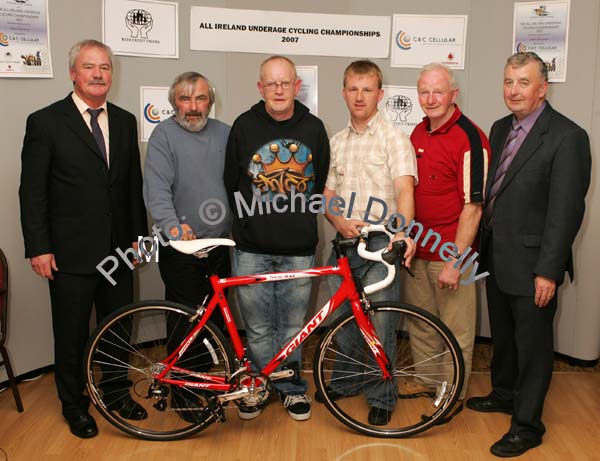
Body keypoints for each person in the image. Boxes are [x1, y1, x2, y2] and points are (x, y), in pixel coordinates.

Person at [19, 39, 147, 438]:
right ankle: (74, 405)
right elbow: (32, 191)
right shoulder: (45, 122)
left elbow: (130, 188)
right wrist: (39, 246)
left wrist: (139, 240)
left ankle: (115, 392)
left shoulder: (126, 121)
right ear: (73, 73)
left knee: (116, 328)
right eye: (89, 67)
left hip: (119, 252)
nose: (98, 74)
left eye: (105, 67)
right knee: (72, 335)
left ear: (112, 74)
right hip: (69, 254)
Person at [466, 52, 591, 458]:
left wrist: (548, 271)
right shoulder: (501, 128)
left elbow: (566, 211)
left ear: (542, 88)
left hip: (535, 265)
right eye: (508, 81)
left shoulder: (567, 137)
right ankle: (504, 394)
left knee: (534, 348)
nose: (513, 90)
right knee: (504, 338)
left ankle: (527, 426)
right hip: (497, 258)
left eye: (523, 82)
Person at [224, 55, 330, 421]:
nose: (280, 89)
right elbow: (230, 183)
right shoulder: (243, 126)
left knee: (290, 327)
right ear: (261, 88)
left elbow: (320, 181)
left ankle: (289, 388)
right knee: (256, 325)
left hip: (298, 250)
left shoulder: (314, 128)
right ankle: (257, 385)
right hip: (251, 248)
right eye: (272, 83)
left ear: (297, 86)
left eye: (286, 83)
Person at [322, 60, 417, 426]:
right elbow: (328, 194)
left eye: (367, 89)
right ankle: (348, 382)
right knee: (344, 320)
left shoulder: (395, 138)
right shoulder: (337, 141)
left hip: (380, 246)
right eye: (353, 88)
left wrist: (402, 234)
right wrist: (339, 221)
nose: (359, 96)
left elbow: (404, 192)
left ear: (380, 94)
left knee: (381, 326)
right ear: (344, 92)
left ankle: (381, 396)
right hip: (344, 245)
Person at [143, 72, 231, 421]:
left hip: (221, 246)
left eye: (200, 99)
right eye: (184, 99)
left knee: (216, 323)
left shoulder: (226, 133)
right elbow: (157, 190)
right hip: (181, 248)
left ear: (210, 101)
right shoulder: (163, 135)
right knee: (185, 324)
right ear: (173, 102)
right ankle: (182, 394)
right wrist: (173, 227)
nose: (193, 107)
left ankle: (210, 388)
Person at [403, 63, 490, 407]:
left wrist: (456, 260)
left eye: (438, 91)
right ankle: (427, 383)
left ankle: (451, 393)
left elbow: (474, 207)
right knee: (422, 325)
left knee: (456, 330)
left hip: (450, 255)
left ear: (454, 94)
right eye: (424, 91)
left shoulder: (471, 138)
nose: (431, 98)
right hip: (418, 252)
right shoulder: (416, 133)